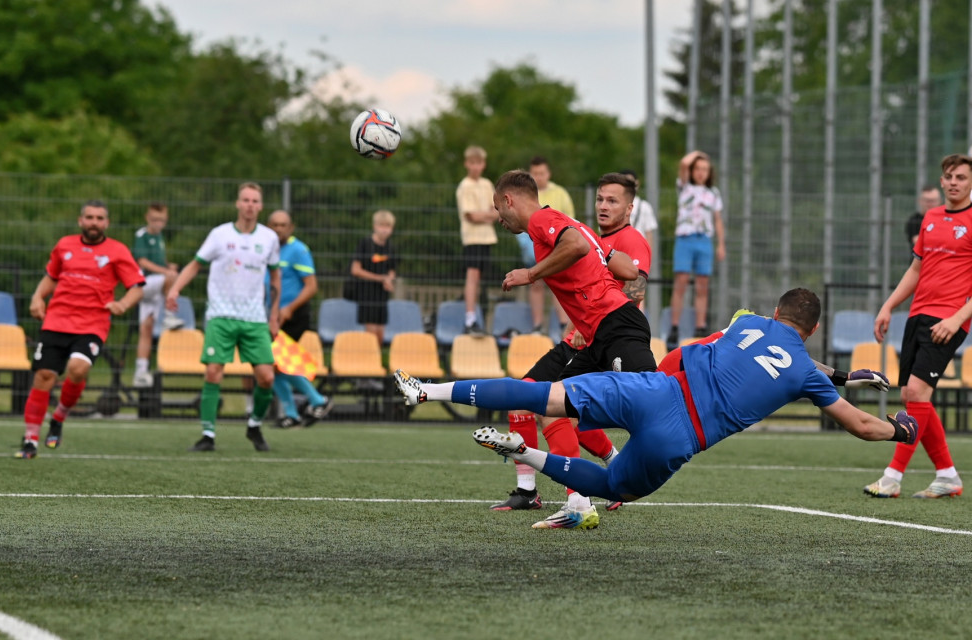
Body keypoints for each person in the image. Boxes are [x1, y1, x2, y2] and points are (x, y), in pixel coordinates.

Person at [395, 288, 918, 526]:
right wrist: (899, 430)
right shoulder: (806, 372)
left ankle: (427, 391)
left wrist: (834, 373)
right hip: (680, 435)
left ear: (775, 311)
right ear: (816, 331)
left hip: (656, 389)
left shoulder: (749, 322)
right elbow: (861, 425)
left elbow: (760, 349)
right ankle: (522, 454)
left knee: (542, 394)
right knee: (609, 487)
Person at [485, 169, 653, 528]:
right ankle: (576, 499)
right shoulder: (577, 228)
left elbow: (590, 254)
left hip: (615, 327)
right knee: (547, 406)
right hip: (594, 332)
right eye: (600, 198)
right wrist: (601, 258)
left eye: (499, 208)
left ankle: (620, 471)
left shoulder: (549, 221)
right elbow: (613, 263)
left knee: (651, 403)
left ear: (509, 200)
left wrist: (530, 274)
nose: (499, 218)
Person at [864, 153, 972, 499]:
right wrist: (889, 306)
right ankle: (948, 475)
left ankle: (892, 477)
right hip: (918, 316)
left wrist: (957, 318)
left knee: (918, 394)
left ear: (970, 183)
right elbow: (915, 270)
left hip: (949, 320)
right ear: (941, 181)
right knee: (912, 396)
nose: (954, 182)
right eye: (950, 176)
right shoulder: (930, 217)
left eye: (962, 177)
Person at [16, 200, 145, 459]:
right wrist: (37, 297)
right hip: (57, 319)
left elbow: (138, 286)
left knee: (78, 368)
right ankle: (30, 440)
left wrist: (122, 304)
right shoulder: (64, 245)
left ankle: (59, 417)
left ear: (106, 223)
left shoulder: (117, 251)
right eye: (89, 217)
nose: (94, 222)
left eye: (99, 218)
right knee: (44, 376)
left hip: (92, 323)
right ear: (80, 221)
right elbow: (51, 277)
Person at [166, 182, 281, 452]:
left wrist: (273, 315)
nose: (250, 205)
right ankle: (208, 435)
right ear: (237, 204)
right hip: (221, 315)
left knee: (266, 377)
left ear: (260, 206)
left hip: (254, 319)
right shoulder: (219, 235)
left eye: (255, 201)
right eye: (246, 200)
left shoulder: (269, 238)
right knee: (213, 372)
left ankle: (254, 426)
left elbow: (276, 275)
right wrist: (175, 288)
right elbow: (195, 264)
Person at [267, 209, 332, 428]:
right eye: (274, 225)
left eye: (282, 225)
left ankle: (317, 400)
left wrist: (289, 308)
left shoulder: (298, 250)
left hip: (293, 316)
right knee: (272, 364)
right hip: (272, 315)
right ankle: (294, 413)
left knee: (276, 363)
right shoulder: (266, 249)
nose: (278, 229)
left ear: (290, 228)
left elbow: (311, 286)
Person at [668, 151, 725, 347]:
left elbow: (717, 220)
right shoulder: (684, 187)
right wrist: (700, 154)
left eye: (705, 170)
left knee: (702, 285)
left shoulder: (713, 193)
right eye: (698, 169)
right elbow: (684, 162)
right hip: (686, 238)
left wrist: (721, 244)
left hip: (704, 240)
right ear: (693, 171)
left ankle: (700, 327)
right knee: (681, 283)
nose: (701, 173)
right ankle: (674, 326)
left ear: (710, 173)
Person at [515, 157, 575, 332]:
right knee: (535, 283)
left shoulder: (561, 193)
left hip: (557, 247)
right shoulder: (525, 193)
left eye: (541, 173)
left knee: (559, 286)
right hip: (533, 246)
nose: (539, 177)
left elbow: (570, 220)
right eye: (535, 174)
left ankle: (564, 324)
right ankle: (537, 326)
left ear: (548, 173)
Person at [132, 202, 184, 389]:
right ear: (147, 218)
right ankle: (169, 316)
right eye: (154, 219)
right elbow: (143, 261)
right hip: (144, 284)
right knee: (173, 278)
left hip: (156, 287)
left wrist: (167, 265)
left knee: (146, 328)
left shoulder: (160, 237)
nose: (157, 223)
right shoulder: (142, 235)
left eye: (161, 220)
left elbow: (157, 260)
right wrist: (166, 271)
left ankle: (141, 371)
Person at [456, 145, 498, 335]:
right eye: (472, 163)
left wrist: (487, 215)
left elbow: (496, 212)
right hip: (472, 238)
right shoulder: (465, 186)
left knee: (481, 280)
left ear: (484, 164)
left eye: (479, 163)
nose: (475, 166)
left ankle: (478, 318)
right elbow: (470, 216)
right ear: (467, 164)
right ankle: (470, 318)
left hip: (487, 238)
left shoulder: (487, 184)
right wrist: (487, 215)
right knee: (472, 277)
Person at [349, 209, 397, 345]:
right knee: (371, 334)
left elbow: (392, 270)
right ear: (375, 226)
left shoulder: (391, 247)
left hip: (382, 296)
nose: (384, 230)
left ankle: (378, 363)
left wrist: (389, 279)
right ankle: (369, 362)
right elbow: (355, 270)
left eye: (388, 226)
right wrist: (379, 278)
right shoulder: (365, 244)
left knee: (380, 334)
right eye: (382, 226)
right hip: (367, 294)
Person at [904, 185, 943, 249]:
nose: (930, 204)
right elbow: (917, 241)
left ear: (940, 201)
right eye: (927, 200)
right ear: (920, 201)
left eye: (933, 201)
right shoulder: (914, 220)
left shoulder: (946, 219)